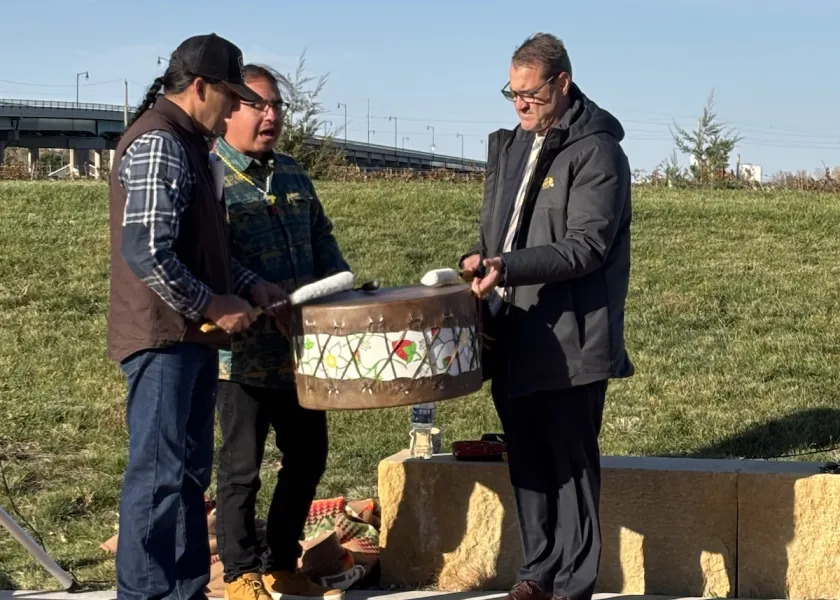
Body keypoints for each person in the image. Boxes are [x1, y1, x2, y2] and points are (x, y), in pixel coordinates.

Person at [108, 34, 288, 600]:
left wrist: (250, 286)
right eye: (231, 97)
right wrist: (212, 304)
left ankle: (186, 591)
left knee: (186, 478)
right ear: (201, 87)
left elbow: (200, 248)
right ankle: (148, 593)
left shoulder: (189, 144)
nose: (237, 108)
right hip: (163, 340)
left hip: (186, 339)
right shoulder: (161, 142)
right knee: (160, 478)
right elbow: (147, 250)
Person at [461, 33, 634, 600]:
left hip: (571, 339)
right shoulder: (512, 144)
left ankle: (573, 585)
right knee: (528, 462)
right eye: (511, 94)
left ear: (562, 83)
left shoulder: (598, 151)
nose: (520, 105)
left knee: (571, 469)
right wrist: (480, 262)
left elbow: (588, 246)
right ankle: (536, 574)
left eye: (530, 95)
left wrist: (505, 266)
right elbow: (503, 234)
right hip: (512, 330)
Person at [210, 64, 350, 600]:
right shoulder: (212, 175)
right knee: (241, 469)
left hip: (302, 352)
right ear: (229, 110)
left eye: (278, 108)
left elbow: (323, 241)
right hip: (241, 358)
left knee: (308, 457)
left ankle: (282, 562)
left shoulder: (292, 173)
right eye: (259, 106)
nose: (271, 117)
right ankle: (241, 574)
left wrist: (341, 287)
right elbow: (212, 262)